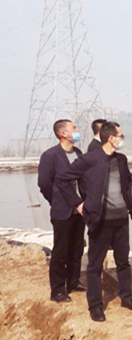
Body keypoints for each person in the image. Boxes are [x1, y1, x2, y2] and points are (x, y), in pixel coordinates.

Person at [55, 122, 132, 322]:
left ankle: (126, 298)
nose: (122, 139)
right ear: (111, 138)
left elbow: (127, 183)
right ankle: (95, 306)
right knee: (94, 266)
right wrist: (78, 203)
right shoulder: (90, 159)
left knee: (123, 262)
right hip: (100, 220)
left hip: (121, 219)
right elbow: (62, 179)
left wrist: (130, 202)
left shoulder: (121, 160)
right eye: (120, 136)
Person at [38, 119, 87, 303]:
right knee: (60, 251)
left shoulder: (78, 154)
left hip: (80, 210)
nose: (77, 130)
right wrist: (56, 200)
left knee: (77, 248)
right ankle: (57, 290)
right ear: (63, 134)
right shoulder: (50, 155)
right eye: (74, 128)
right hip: (62, 211)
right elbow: (44, 183)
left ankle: (73, 281)